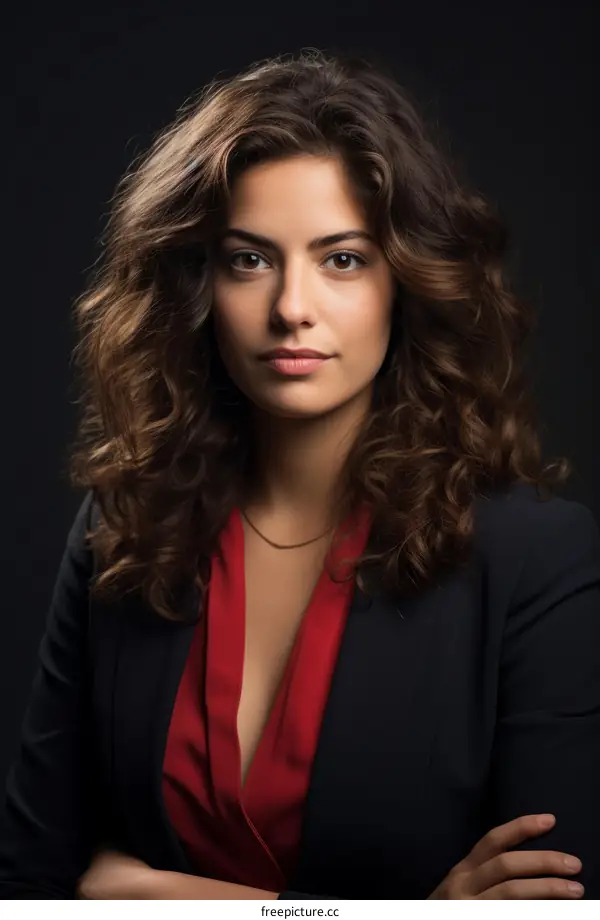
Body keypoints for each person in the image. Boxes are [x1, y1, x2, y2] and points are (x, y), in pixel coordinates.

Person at [1, 48, 599, 901]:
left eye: (342, 259)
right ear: (196, 281)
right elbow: (33, 888)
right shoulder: (121, 528)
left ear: (407, 281)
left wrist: (144, 892)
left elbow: (558, 906)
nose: (291, 307)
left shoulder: (534, 556)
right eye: (249, 258)